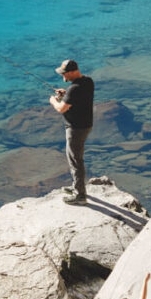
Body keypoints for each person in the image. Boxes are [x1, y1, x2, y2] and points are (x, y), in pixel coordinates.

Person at [49, 58, 94, 204]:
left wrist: (53, 101)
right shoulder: (88, 82)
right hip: (86, 125)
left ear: (74, 72)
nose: (63, 76)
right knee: (76, 158)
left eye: (65, 73)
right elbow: (78, 98)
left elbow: (61, 109)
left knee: (75, 160)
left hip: (76, 128)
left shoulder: (74, 89)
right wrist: (66, 94)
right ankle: (77, 186)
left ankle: (80, 196)